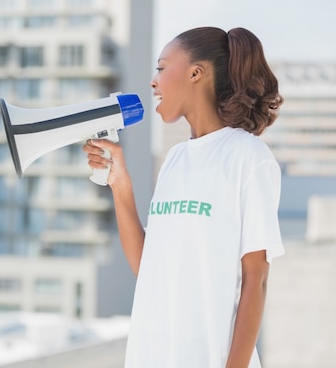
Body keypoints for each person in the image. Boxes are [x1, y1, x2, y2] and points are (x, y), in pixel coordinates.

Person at [84, 26, 285, 368]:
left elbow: (257, 278)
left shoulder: (248, 157)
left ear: (196, 73)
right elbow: (149, 269)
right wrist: (120, 184)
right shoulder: (175, 159)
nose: (153, 81)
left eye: (161, 68)